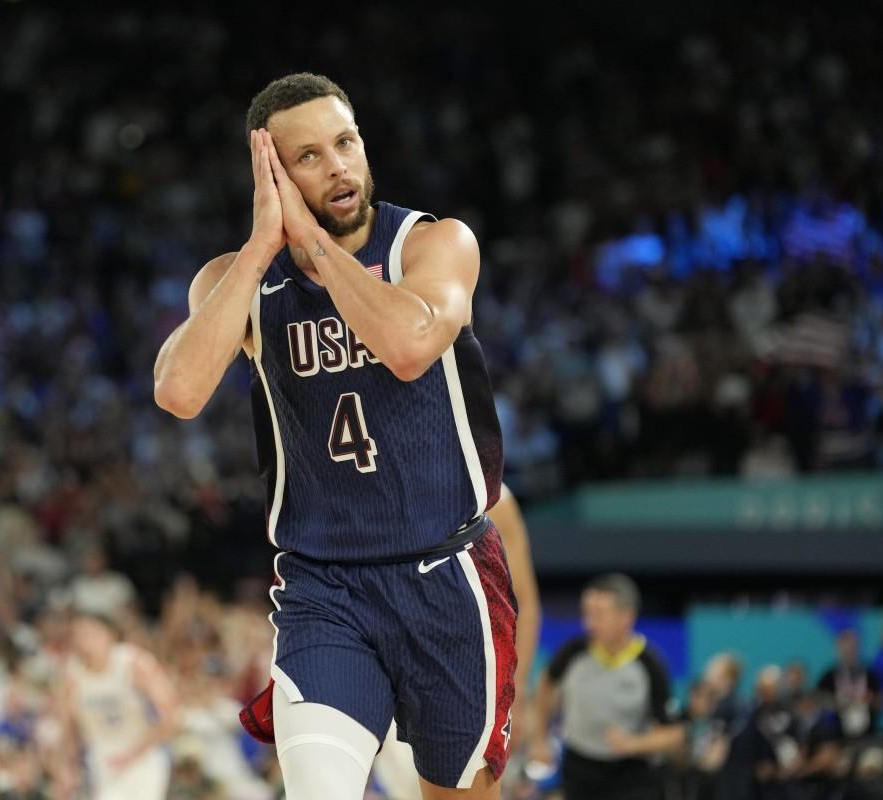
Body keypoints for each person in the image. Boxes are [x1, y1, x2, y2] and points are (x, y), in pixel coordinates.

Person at [154, 72, 515, 799]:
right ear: (273, 177)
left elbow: (409, 346)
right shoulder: (238, 279)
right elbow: (179, 392)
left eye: (345, 143)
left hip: (447, 574)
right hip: (326, 585)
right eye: (309, 157)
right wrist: (263, 247)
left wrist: (315, 246)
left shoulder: (432, 243)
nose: (339, 166)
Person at [371, 483, 540, 799]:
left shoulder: (493, 495)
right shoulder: (373, 481)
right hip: (386, 657)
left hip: (463, 667)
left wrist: (515, 691)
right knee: (401, 786)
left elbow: (524, 602)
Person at [529, 574, 683, 800]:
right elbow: (546, 684)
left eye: (599, 615)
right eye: (587, 614)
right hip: (579, 768)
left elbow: (674, 733)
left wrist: (633, 743)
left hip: (630, 774)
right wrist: (539, 739)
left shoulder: (649, 664)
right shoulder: (573, 653)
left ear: (626, 617)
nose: (589, 624)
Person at [58, 611, 178, 800]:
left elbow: (171, 716)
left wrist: (133, 755)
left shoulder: (134, 662)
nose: (85, 641)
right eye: (78, 635)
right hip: (101, 760)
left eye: (91, 633)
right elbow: (69, 729)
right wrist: (67, 768)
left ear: (110, 635)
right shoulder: (72, 673)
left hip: (143, 757)